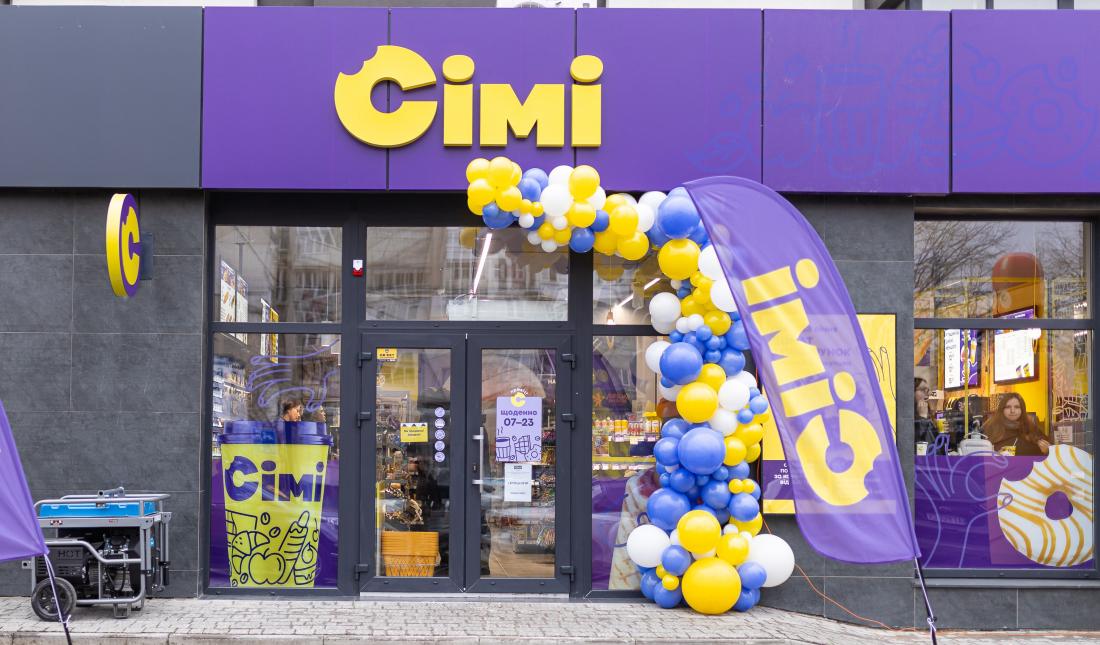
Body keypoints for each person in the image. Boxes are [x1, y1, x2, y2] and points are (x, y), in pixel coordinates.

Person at [982, 393, 1050, 456]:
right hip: (999, 464)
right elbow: (980, 454)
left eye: (1017, 407)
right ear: (1002, 409)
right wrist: (994, 455)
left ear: (1022, 409)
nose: (1012, 411)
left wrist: (1048, 451)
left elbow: (1049, 457)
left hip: (1028, 465)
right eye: (1008, 407)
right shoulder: (991, 427)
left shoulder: (1031, 428)